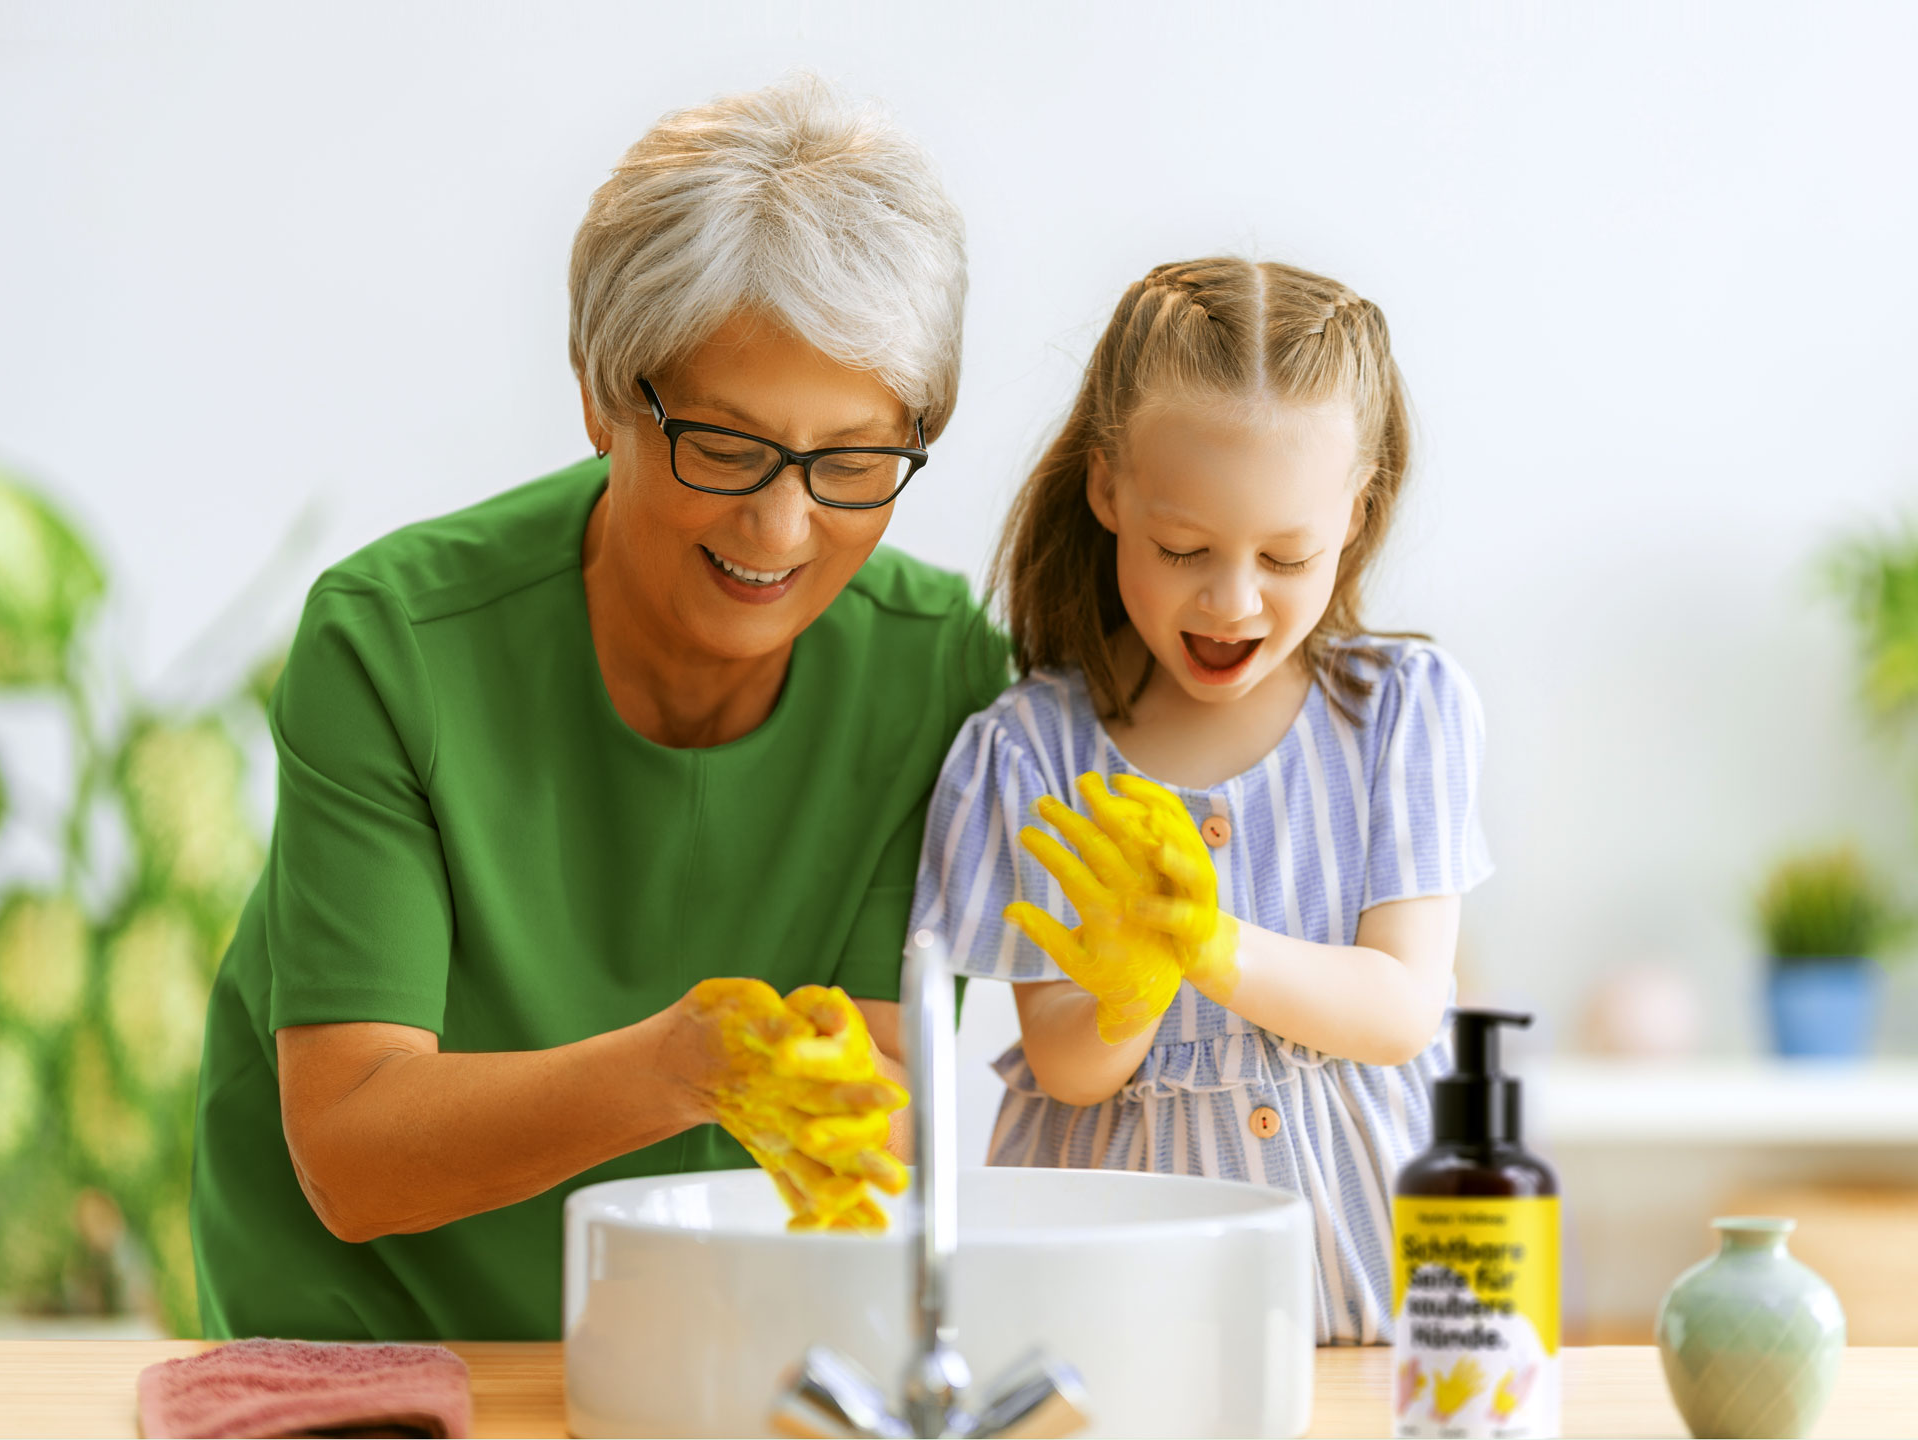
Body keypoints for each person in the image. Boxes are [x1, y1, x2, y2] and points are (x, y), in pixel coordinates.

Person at [190, 75, 1007, 1341]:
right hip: (374, 1343)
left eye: (852, 463)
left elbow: (882, 1102)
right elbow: (351, 1148)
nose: (781, 528)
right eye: (726, 447)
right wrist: (681, 1067)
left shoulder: (935, 672)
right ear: (602, 395)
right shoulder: (395, 646)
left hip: (705, 1338)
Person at [909, 256, 1490, 1345]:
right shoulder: (1031, 751)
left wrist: (1209, 945)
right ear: (1107, 490)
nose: (1232, 600)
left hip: (1376, 1328)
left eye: (1286, 555)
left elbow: (1402, 1009)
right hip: (1104, 1333)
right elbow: (1067, 1065)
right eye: (1184, 549)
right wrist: (1132, 989)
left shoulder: (1400, 712)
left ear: (1355, 516)